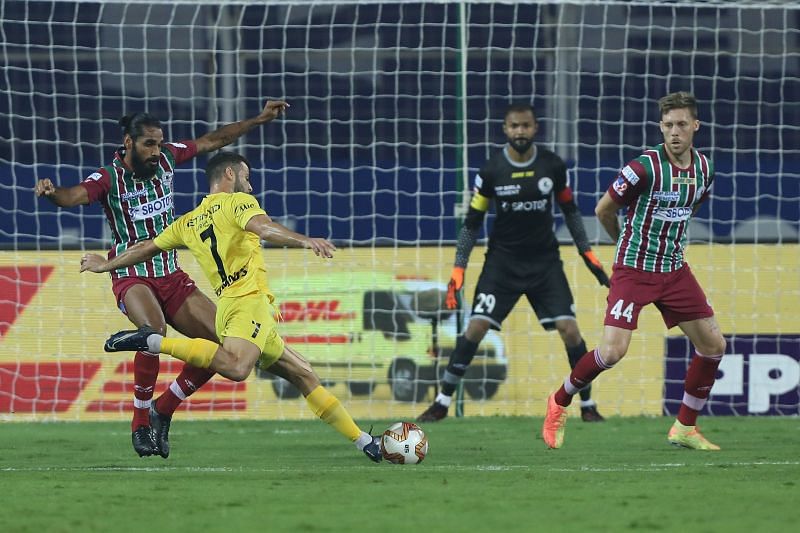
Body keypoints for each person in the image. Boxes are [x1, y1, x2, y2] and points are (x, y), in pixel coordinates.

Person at [80, 151, 383, 463]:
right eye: (246, 177)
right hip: (248, 305)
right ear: (228, 174)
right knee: (237, 367)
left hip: (232, 308)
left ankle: (365, 442)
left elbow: (146, 248)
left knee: (304, 374)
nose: (249, 187)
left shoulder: (187, 221)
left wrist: (106, 265)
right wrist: (304, 240)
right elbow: (265, 228)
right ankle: (152, 341)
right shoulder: (238, 203)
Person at [34, 100, 288, 458]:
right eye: (148, 144)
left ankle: (164, 407)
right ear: (128, 143)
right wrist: (51, 194)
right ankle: (139, 422)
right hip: (130, 273)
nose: (156, 151)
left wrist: (260, 119)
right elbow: (73, 195)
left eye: (159, 143)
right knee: (152, 331)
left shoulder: (168, 158)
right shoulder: (109, 177)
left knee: (224, 346)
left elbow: (214, 141)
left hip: (171, 273)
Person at [541, 91, 726, 450]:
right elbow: (603, 210)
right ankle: (559, 402)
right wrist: (626, 240)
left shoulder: (706, 169)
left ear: (695, 126)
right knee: (612, 352)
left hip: (674, 270)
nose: (674, 132)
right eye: (668, 125)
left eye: (682, 125)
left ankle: (685, 427)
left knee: (713, 345)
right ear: (661, 126)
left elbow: (691, 206)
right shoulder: (642, 167)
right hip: (634, 268)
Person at [418, 103, 610, 423]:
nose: (520, 131)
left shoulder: (552, 166)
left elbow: (571, 212)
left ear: (536, 128)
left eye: (525, 126)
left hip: (545, 263)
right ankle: (441, 402)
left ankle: (588, 406)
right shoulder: (491, 171)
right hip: (502, 264)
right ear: (505, 130)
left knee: (570, 330)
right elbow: (472, 222)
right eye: (514, 126)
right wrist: (458, 269)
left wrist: (587, 254)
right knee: (476, 326)